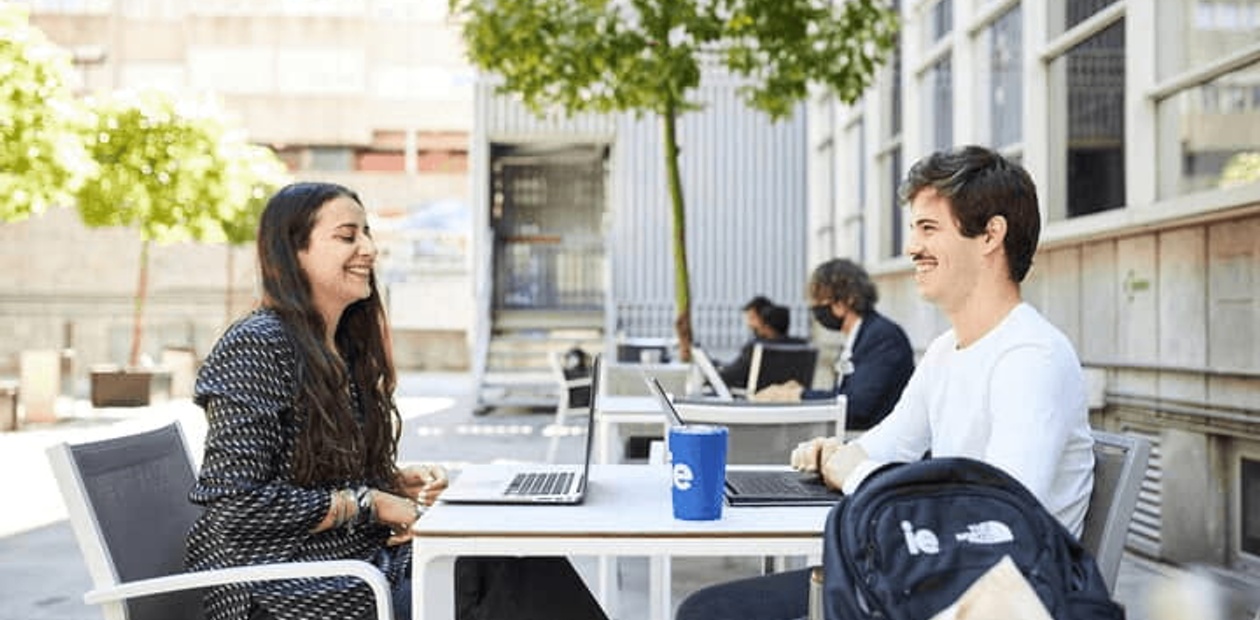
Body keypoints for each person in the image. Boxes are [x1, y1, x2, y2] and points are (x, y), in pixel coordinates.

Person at [675, 145, 1096, 620]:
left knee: (707, 614)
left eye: (928, 228)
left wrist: (852, 471)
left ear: (990, 236)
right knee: (705, 609)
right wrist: (830, 453)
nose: (911, 247)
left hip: (984, 599)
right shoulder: (944, 352)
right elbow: (887, 445)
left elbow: (995, 524)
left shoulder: (1031, 357)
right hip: (929, 578)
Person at [185, 182, 608, 620]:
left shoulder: (339, 346)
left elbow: (309, 473)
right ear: (295, 252)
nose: (368, 248)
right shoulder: (257, 345)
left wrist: (392, 481)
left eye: (367, 234)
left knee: (509, 553)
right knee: (496, 578)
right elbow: (235, 505)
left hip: (348, 564)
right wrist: (372, 503)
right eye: (347, 236)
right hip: (279, 588)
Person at [755, 258, 915, 430]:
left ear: (846, 300)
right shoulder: (858, 337)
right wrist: (800, 392)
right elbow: (841, 395)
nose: (815, 308)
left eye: (820, 300)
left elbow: (856, 407)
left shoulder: (883, 337)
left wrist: (797, 396)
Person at [719, 296, 807, 390]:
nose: (749, 324)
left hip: (760, 400)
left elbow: (730, 377)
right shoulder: (802, 346)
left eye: (752, 318)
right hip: (793, 399)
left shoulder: (758, 348)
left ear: (766, 323)